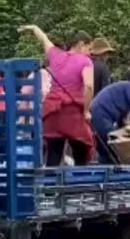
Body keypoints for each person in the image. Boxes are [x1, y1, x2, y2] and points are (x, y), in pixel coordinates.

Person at [20, 25, 95, 166]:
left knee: (54, 154)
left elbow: (44, 39)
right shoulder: (85, 61)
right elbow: (89, 86)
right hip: (73, 114)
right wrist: (86, 110)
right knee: (82, 153)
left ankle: (50, 185)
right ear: (81, 44)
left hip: (53, 113)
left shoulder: (56, 55)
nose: (90, 54)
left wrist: (34, 28)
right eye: (89, 49)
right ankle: (80, 185)